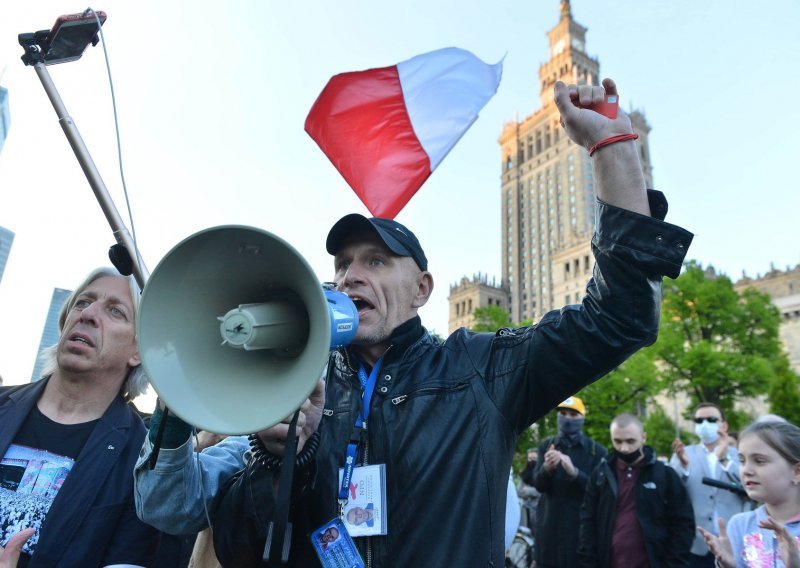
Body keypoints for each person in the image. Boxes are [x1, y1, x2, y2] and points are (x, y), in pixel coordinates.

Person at [134, 77, 693, 567]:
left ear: (423, 290)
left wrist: (613, 149)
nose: (351, 276)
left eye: (376, 260)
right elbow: (182, 513)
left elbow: (620, 318)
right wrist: (270, 453)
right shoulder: (290, 392)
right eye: (342, 264)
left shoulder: (482, 368)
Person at [0, 268, 159, 567]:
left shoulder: (143, 459)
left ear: (138, 350)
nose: (89, 314)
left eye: (115, 311)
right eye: (83, 302)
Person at [579, 413, 695, 567]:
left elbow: (683, 524)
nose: (624, 448)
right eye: (618, 441)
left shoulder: (665, 475)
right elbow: (587, 522)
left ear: (643, 437)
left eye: (630, 441)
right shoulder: (600, 476)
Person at [698, 420, 800, 567]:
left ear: (797, 471)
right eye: (742, 461)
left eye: (759, 461)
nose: (746, 470)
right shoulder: (740, 525)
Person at [671, 402, 752, 567]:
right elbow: (674, 495)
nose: (704, 424)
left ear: (724, 424)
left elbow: (749, 489)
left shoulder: (739, 455)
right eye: (699, 421)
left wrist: (724, 460)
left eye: (711, 419)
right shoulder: (683, 454)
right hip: (697, 541)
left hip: (734, 538)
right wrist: (685, 469)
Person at [532, 396, 607, 567]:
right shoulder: (546, 445)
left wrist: (575, 473)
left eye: (573, 415)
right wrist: (547, 468)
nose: (567, 419)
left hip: (580, 534)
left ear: (582, 418)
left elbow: (600, 492)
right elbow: (538, 485)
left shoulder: (597, 451)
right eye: (563, 413)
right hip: (549, 533)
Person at [518, 448, 541, 530]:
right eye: (530, 458)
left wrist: (528, 490)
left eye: (534, 458)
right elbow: (519, 492)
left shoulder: (542, 474)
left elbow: (542, 491)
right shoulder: (523, 474)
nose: (531, 461)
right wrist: (535, 491)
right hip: (525, 511)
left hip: (538, 511)